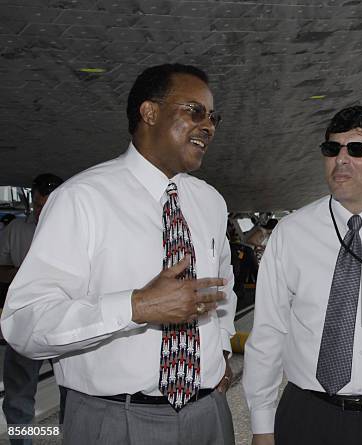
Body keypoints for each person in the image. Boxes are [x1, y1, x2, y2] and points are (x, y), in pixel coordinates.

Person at [1, 64, 237, 445]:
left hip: (209, 415)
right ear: (150, 112)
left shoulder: (210, 202)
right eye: (195, 111)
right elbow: (24, 322)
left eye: (213, 117)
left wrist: (222, 349)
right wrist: (136, 307)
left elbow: (223, 287)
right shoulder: (82, 200)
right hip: (115, 421)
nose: (208, 126)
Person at [243, 106, 362, 445]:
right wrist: (261, 426)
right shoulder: (292, 232)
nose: (341, 159)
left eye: (358, 149)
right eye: (332, 149)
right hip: (307, 414)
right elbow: (269, 332)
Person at [0, 174, 65, 445]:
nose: (42, 212)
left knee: (73, 394)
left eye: (48, 206)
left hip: (64, 323)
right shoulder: (16, 230)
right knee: (18, 397)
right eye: (38, 206)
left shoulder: (75, 230)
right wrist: (24, 274)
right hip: (27, 321)